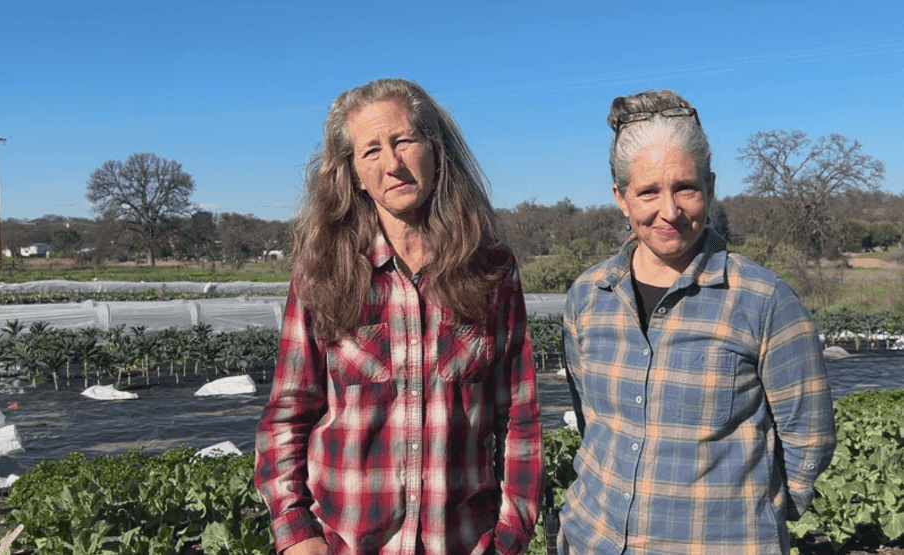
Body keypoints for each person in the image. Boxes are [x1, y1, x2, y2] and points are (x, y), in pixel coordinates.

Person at [255, 78, 543, 555]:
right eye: (371, 151)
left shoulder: (491, 270)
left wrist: (509, 538)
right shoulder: (322, 272)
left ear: (435, 149)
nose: (392, 163)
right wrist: (296, 534)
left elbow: (519, 419)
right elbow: (287, 416)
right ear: (352, 174)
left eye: (404, 141)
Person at [557, 89, 837, 555]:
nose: (669, 211)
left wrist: (754, 514)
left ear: (710, 187)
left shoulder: (764, 301)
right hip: (593, 537)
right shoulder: (588, 296)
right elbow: (591, 419)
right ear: (621, 199)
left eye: (685, 188)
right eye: (647, 191)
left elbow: (809, 438)